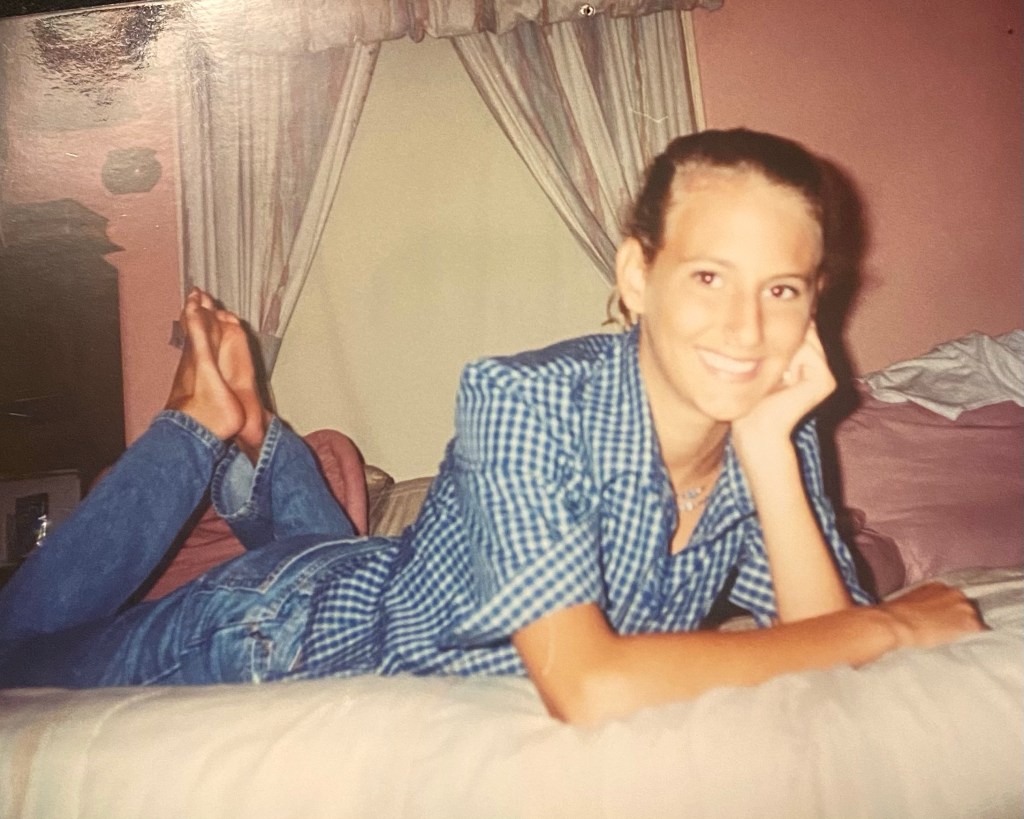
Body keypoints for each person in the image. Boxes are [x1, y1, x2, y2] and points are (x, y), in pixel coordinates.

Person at [0, 129, 982, 723]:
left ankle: (258, 440)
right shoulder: (524, 397)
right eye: (708, 277)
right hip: (280, 629)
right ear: (636, 275)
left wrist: (767, 449)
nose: (746, 330)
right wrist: (894, 622)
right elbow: (585, 686)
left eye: (781, 290)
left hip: (384, 573)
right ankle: (197, 425)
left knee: (343, 556)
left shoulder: (777, 424)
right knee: (12, 659)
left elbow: (821, 642)